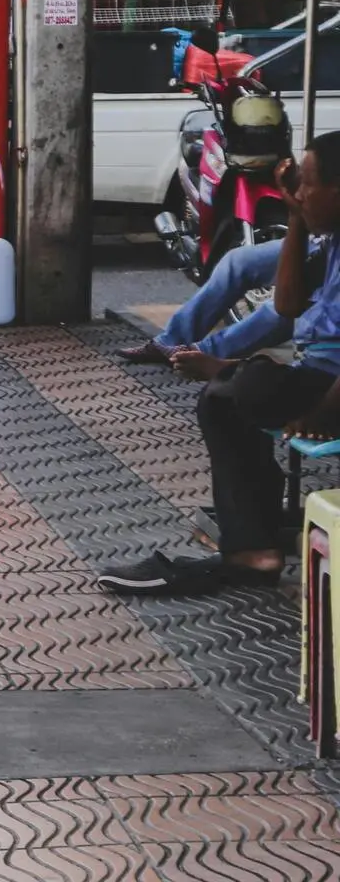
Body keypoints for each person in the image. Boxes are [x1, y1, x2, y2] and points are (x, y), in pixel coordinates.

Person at [99, 133, 340, 597]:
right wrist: (295, 218)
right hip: (317, 376)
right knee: (226, 399)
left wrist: (321, 416)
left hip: (329, 391)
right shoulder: (329, 243)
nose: (301, 192)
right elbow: (287, 305)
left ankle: (253, 549)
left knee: (245, 387)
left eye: (308, 185)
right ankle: (254, 548)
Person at [115, 237, 292, 374]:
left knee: (287, 306)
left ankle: (200, 354)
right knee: (238, 261)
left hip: (319, 250)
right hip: (312, 237)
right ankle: (171, 342)